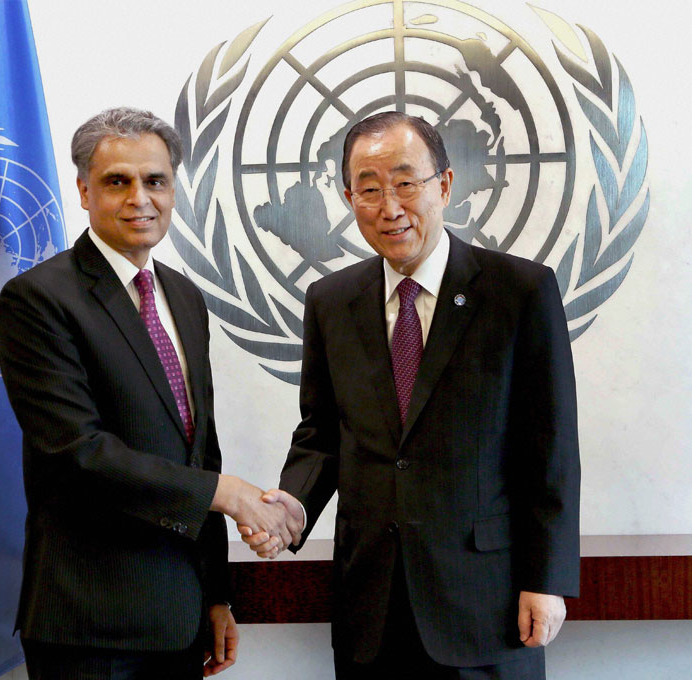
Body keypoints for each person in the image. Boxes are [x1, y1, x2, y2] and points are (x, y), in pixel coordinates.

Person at [242, 111, 580, 679]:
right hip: (370, 605)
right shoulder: (331, 300)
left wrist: (546, 581)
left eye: (405, 183)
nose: (389, 207)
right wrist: (293, 506)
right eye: (369, 190)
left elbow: (550, 450)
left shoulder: (519, 291)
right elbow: (322, 434)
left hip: (485, 602)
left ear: (444, 186)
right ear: (350, 198)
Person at [0, 107, 300, 680]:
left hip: (179, 619)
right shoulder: (38, 299)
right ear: (84, 191)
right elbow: (78, 454)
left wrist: (216, 594)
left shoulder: (184, 298)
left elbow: (198, 453)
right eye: (118, 181)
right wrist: (230, 494)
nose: (141, 197)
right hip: (89, 628)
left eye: (156, 180)